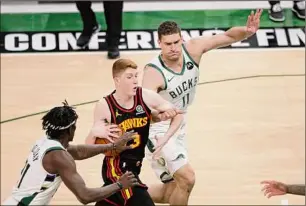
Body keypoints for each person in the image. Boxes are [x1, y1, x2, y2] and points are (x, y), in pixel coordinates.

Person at [142, 9, 263, 206]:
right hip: (158, 131)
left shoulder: (193, 49)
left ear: (181, 39)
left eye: (176, 42)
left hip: (179, 125)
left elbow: (227, 36)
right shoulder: (153, 73)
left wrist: (247, 31)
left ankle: (120, 193)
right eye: (167, 44)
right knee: (188, 178)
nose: (173, 48)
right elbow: (144, 109)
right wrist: (159, 113)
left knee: (171, 192)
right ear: (159, 44)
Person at [85, 58, 184, 206]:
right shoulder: (105, 106)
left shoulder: (145, 96)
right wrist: (94, 133)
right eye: (129, 77)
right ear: (117, 80)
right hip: (116, 169)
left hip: (134, 167)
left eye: (136, 76)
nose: (135, 81)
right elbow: (87, 149)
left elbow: (178, 114)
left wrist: (165, 137)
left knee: (110, 200)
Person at [2, 100, 139, 205]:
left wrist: (112, 146)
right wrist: (120, 184)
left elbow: (78, 151)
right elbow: (85, 196)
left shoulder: (46, 142)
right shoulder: (59, 157)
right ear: (69, 130)